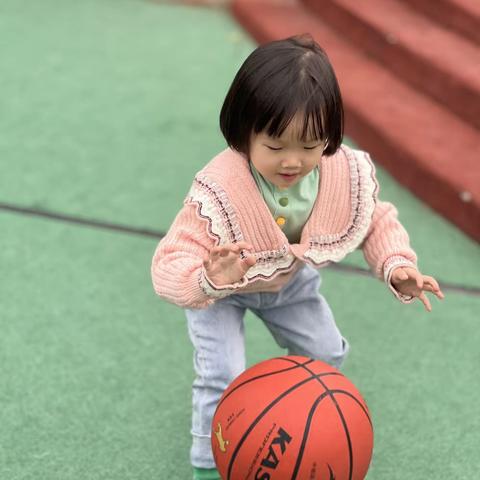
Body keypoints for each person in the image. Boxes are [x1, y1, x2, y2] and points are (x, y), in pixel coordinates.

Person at [151, 34, 444, 480]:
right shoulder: (219, 189)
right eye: (274, 146)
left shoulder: (341, 172)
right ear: (243, 132)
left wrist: (397, 265)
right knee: (223, 374)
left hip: (289, 286)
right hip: (222, 292)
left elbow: (376, 220)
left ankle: (294, 434)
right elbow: (167, 264)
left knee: (325, 354)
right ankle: (209, 464)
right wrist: (208, 279)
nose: (293, 161)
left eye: (310, 146)